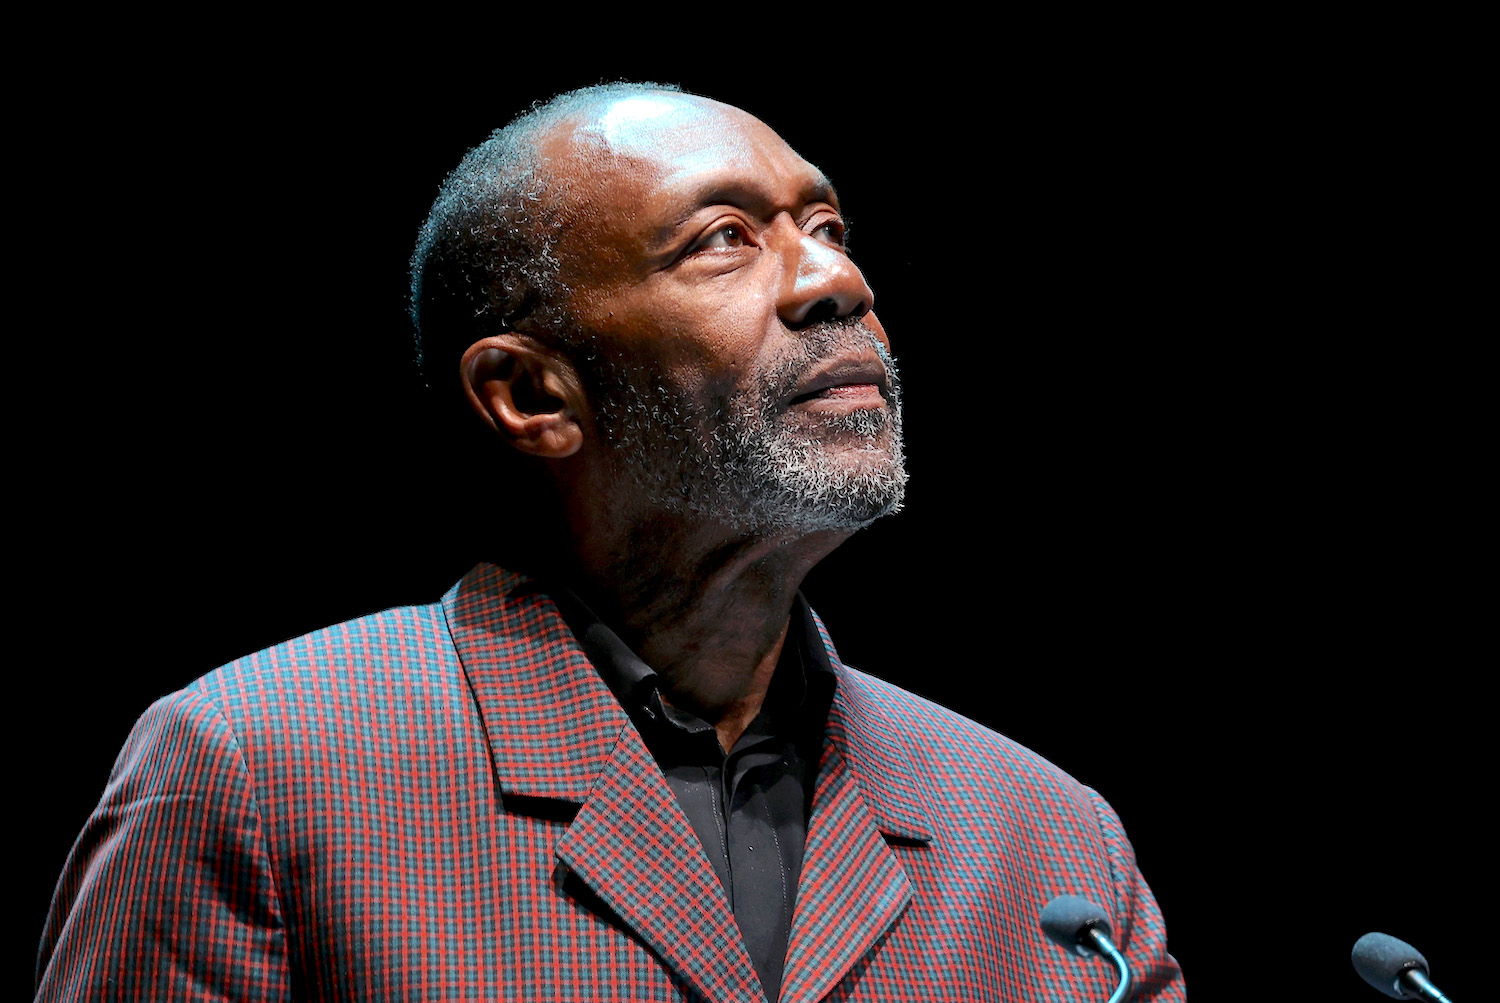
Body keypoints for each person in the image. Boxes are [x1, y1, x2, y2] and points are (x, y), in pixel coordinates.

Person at [36, 82, 1183, 1002]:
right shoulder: (263, 767)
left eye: (829, 228)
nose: (839, 281)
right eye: (725, 239)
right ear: (533, 394)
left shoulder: (1048, 836)